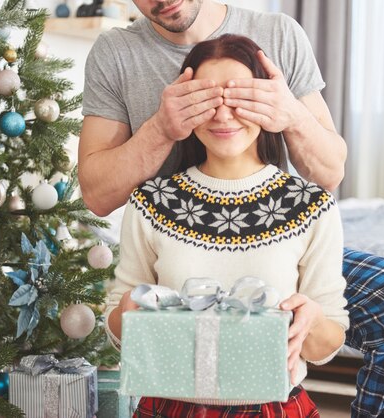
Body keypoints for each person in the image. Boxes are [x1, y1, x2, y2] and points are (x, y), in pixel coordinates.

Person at [79, 1, 384, 416]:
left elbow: (330, 173)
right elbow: (98, 196)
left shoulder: (279, 34)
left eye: (239, 98)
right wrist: (160, 128)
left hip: (274, 237)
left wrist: (291, 113)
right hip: (174, 254)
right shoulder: (115, 53)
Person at [106, 33, 349, 417]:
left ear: (268, 102)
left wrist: (312, 322)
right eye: (206, 100)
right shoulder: (151, 203)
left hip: (274, 408)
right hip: (169, 408)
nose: (222, 115)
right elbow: (118, 330)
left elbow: (326, 343)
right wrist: (126, 312)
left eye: (241, 99)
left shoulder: (312, 206)